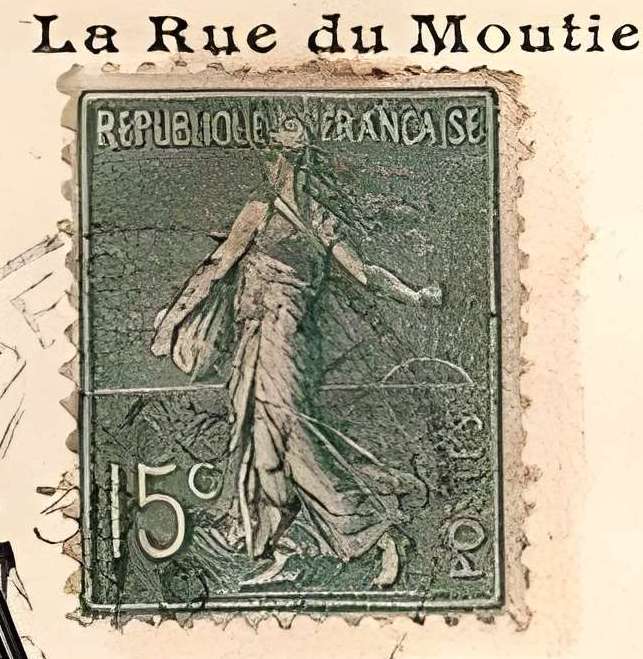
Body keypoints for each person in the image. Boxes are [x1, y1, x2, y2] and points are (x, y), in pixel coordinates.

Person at [145, 115, 447, 591]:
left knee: (286, 444)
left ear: (285, 159)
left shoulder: (266, 211)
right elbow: (364, 273)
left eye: (273, 153)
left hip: (279, 345)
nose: (268, 162)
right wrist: (415, 296)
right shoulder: (314, 216)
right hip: (270, 343)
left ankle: (373, 534)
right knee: (260, 440)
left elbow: (216, 267)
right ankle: (278, 544)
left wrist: (170, 323)